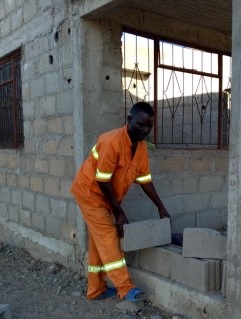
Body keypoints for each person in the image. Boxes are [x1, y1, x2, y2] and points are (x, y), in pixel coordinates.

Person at [71, 102, 170, 301]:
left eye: (149, 126)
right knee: (108, 236)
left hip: (105, 196)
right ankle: (125, 288)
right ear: (129, 119)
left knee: (98, 240)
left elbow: (145, 180)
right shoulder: (112, 141)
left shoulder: (140, 148)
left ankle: (95, 289)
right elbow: (102, 180)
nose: (145, 131)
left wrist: (161, 208)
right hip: (90, 193)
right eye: (141, 125)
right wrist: (119, 212)